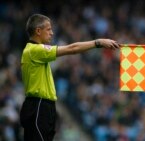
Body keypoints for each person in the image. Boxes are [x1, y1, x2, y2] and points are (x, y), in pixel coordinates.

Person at [19, 13, 120, 141]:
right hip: (38, 106)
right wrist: (98, 42)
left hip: (44, 106)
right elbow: (72, 48)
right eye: (49, 29)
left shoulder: (35, 52)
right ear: (38, 31)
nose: (52, 33)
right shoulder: (34, 50)